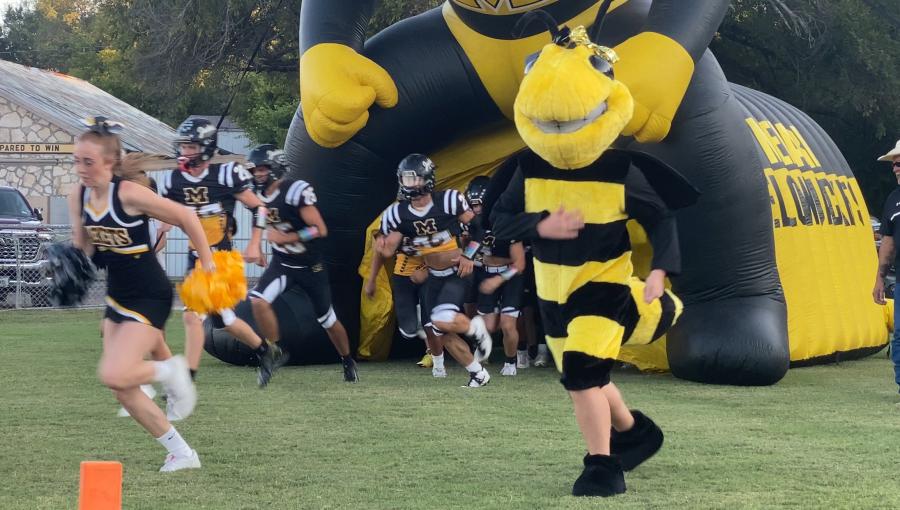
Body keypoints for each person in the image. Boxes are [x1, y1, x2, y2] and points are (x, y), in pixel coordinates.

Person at [67, 116, 211, 471]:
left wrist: (208, 263)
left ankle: (171, 371)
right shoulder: (79, 196)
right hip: (117, 295)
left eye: (88, 161)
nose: (81, 169)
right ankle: (181, 453)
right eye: (76, 160)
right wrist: (69, 265)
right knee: (122, 388)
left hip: (149, 294)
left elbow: (186, 216)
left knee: (114, 373)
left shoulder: (129, 194)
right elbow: (83, 247)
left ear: (110, 163)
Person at [157, 119, 284, 387]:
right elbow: (166, 217)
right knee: (225, 320)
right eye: (183, 146)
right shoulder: (172, 180)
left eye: (191, 146)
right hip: (196, 258)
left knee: (192, 317)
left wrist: (255, 243)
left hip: (221, 259)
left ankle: (186, 380)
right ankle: (266, 351)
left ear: (205, 148)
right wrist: (161, 228)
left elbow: (259, 208)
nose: (184, 152)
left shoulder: (226, 174)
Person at [247, 144, 359, 383]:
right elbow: (263, 222)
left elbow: (319, 229)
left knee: (327, 319)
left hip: (310, 265)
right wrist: (258, 246)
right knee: (257, 300)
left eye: (262, 169)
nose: (257, 174)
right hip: (282, 263)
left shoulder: (295, 191)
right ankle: (274, 350)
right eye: (255, 170)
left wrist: (289, 237)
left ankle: (347, 359)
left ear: (276, 167)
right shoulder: (257, 196)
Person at [379, 154, 493, 387]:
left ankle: (475, 329)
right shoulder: (397, 213)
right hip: (433, 277)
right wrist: (384, 245)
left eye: (413, 179)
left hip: (456, 272)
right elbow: (389, 248)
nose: (408, 184)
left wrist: (468, 255)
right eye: (405, 179)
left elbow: (479, 228)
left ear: (426, 179)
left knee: (441, 320)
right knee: (436, 331)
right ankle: (478, 373)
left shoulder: (449, 200)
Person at [465, 176, 527, 376]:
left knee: (508, 323)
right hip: (487, 275)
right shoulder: (473, 225)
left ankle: (511, 363)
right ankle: (481, 354)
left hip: (510, 278)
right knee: (487, 325)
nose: (475, 210)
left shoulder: (507, 222)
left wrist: (497, 275)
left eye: (478, 205)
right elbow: (470, 253)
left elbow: (519, 264)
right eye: (472, 205)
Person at [366, 229, 446, 376]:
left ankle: (437, 361)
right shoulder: (396, 222)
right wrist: (371, 280)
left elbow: (446, 252)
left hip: (429, 273)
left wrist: (427, 269)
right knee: (408, 331)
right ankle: (417, 317)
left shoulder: (434, 219)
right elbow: (381, 252)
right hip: (402, 276)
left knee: (429, 322)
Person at [872, 138, 900, 395]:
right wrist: (880, 278)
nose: (895, 169)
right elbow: (888, 243)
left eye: (899, 163)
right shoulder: (893, 200)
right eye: (894, 165)